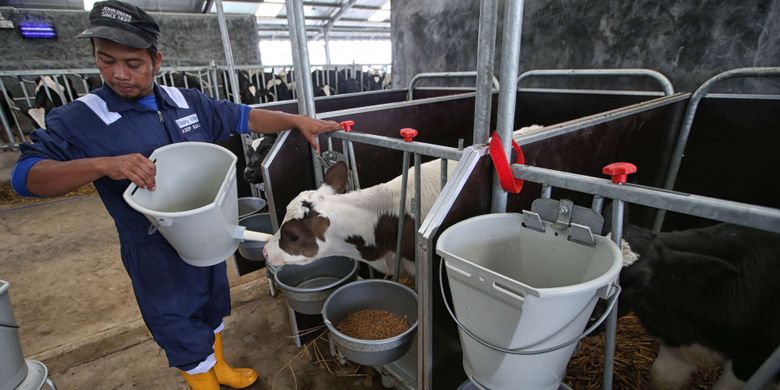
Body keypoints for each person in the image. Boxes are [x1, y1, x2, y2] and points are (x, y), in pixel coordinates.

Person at [10, 1, 341, 389]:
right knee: (176, 321)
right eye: (105, 60)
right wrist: (102, 165)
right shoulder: (80, 117)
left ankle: (220, 369)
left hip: (206, 232)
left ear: (156, 60)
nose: (118, 74)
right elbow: (25, 177)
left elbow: (244, 116)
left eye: (133, 63)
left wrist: (296, 121)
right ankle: (203, 383)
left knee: (213, 305)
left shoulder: (188, 101)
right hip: (153, 250)